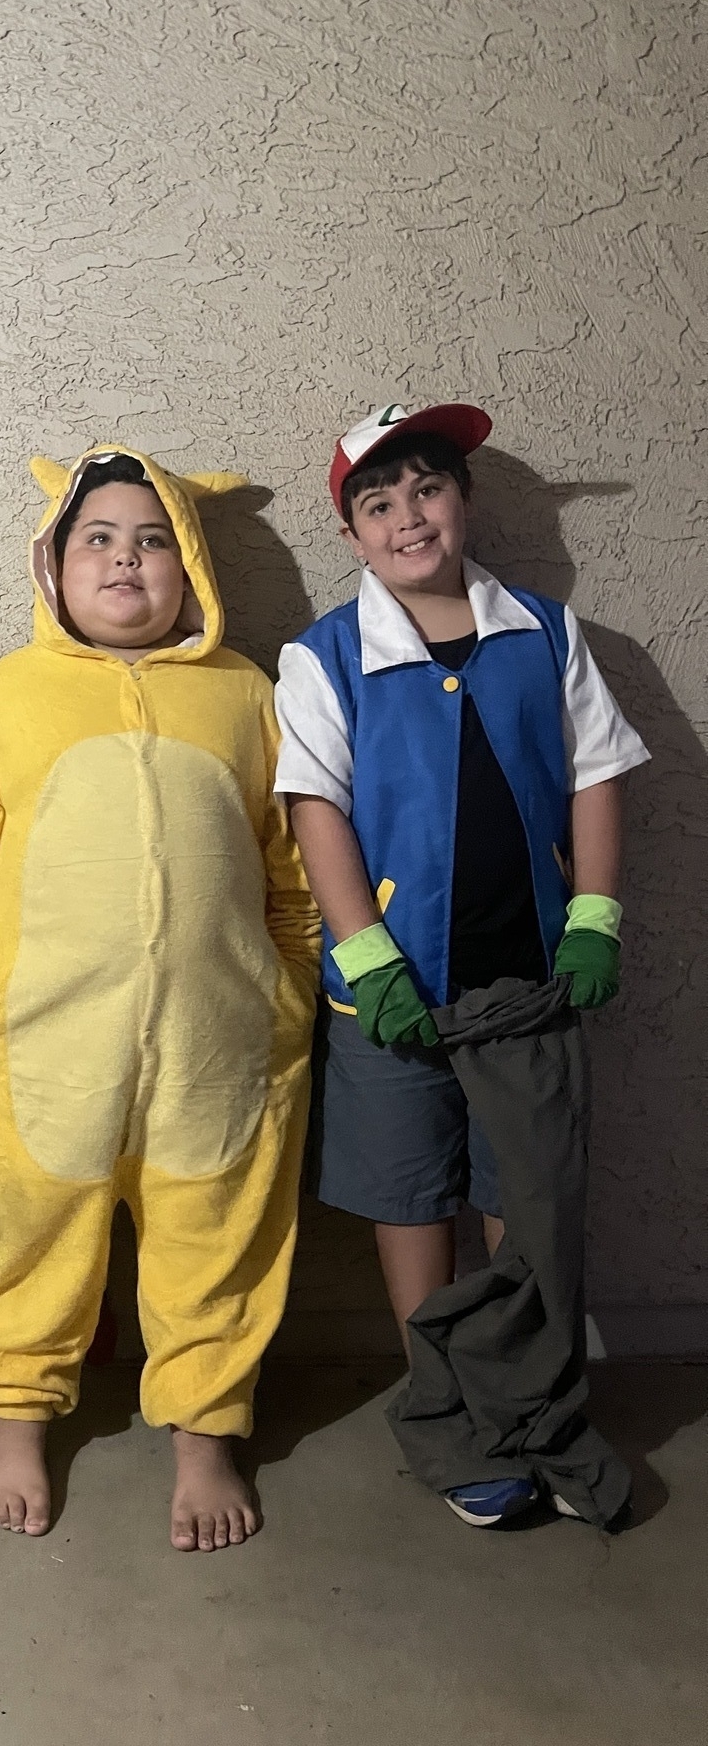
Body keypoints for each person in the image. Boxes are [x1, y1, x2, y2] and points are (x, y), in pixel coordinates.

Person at [0, 447, 321, 1551]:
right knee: (33, 1228)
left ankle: (205, 1435)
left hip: (221, 1038)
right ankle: (17, 1424)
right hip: (41, 1037)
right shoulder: (8, 692)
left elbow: (286, 854)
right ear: (55, 565)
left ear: (190, 566)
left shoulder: (244, 691)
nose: (126, 559)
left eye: (153, 539)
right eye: (98, 537)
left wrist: (291, 983)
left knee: (217, 1230)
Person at [275, 400, 649, 1526]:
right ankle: (445, 1412)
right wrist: (369, 953)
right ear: (352, 535)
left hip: (527, 982)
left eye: (426, 489)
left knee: (520, 1197)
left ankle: (532, 1408)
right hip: (391, 1000)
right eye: (377, 504)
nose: (407, 517)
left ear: (464, 498)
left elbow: (597, 774)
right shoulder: (324, 655)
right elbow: (314, 807)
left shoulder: (547, 632)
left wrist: (595, 916)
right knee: (411, 1197)